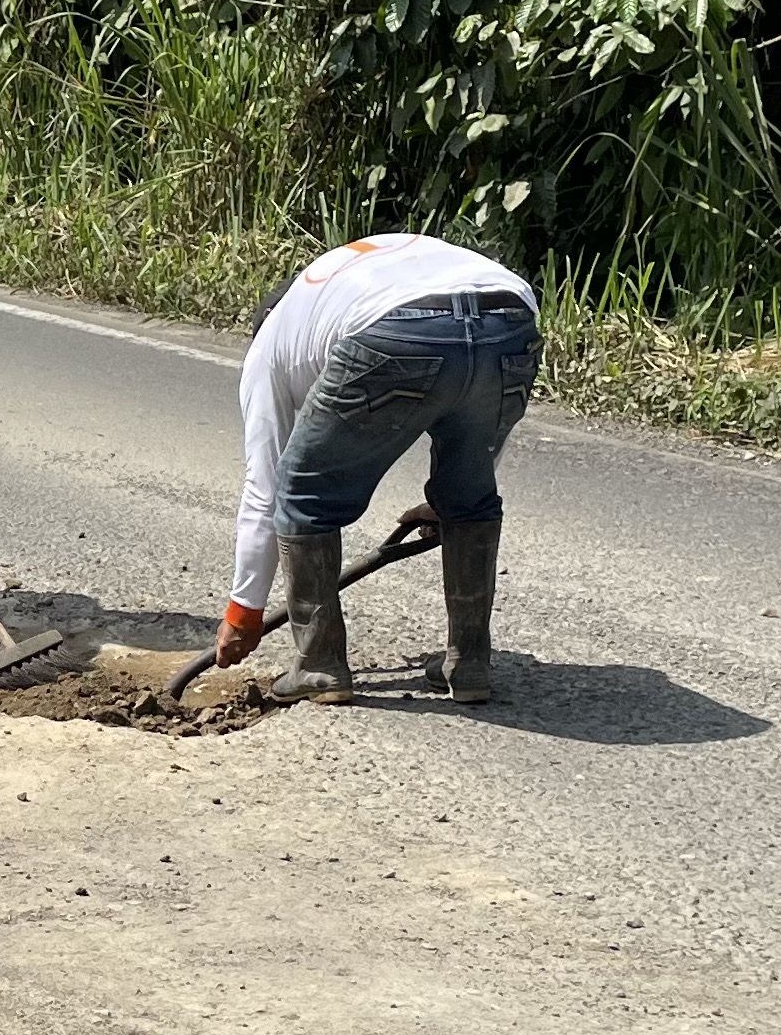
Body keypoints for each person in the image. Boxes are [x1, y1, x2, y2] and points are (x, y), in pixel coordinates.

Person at [206, 234, 540, 704]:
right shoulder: (356, 277)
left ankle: (319, 665)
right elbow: (484, 434)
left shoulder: (269, 349)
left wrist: (244, 611)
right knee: (470, 499)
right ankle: (469, 665)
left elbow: (267, 488)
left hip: (393, 329)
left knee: (300, 493)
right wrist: (451, 501)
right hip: (509, 317)